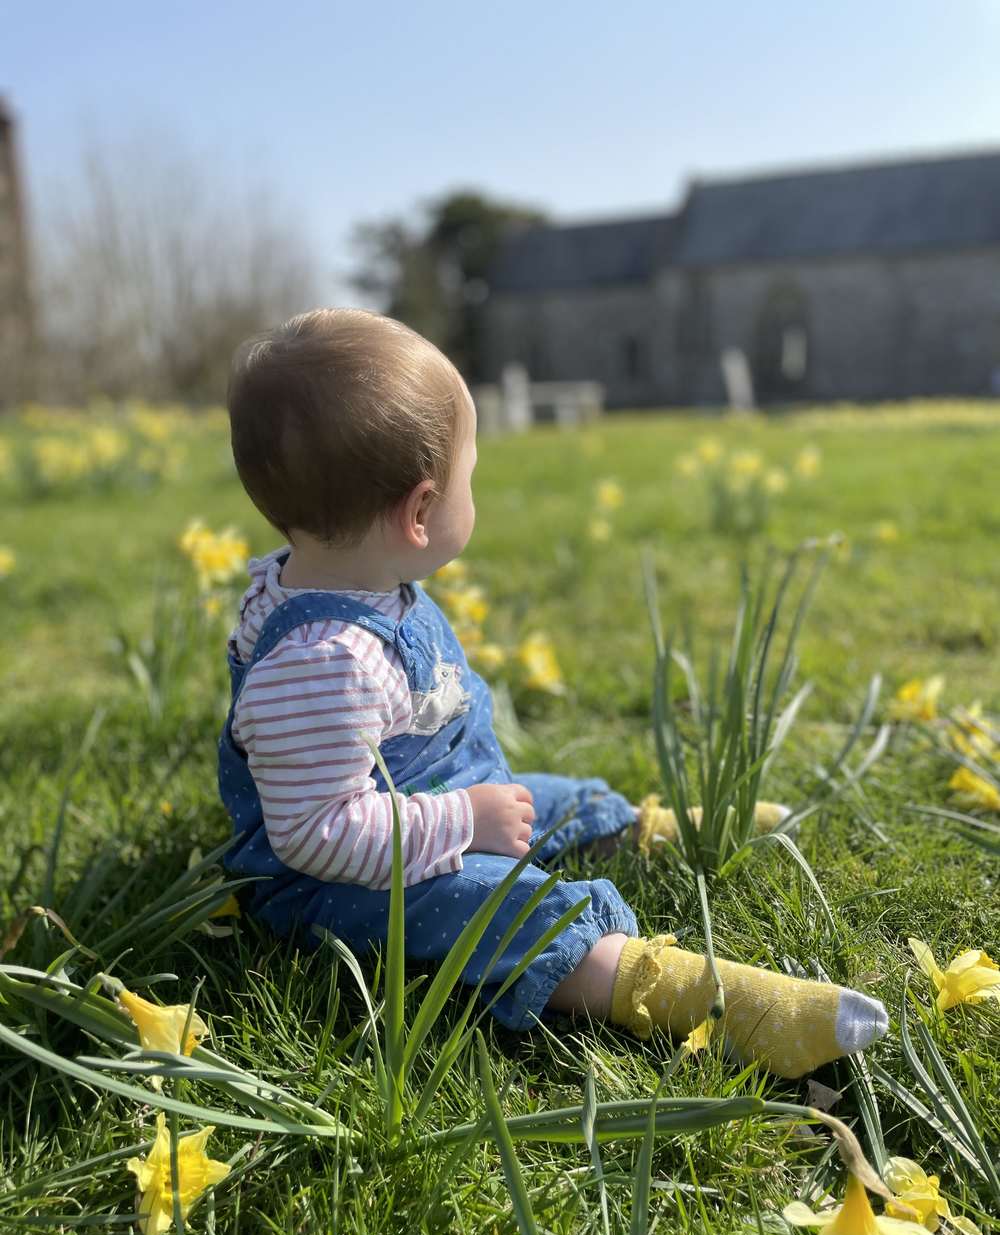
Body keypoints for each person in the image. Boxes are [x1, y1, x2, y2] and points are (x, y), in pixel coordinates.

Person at [217, 307, 888, 1080]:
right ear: (422, 512)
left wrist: (472, 804)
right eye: (473, 475)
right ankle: (675, 991)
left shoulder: (349, 579)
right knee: (492, 905)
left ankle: (631, 827)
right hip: (335, 883)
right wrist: (462, 819)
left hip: (431, 796)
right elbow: (317, 832)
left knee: (545, 797)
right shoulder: (321, 664)